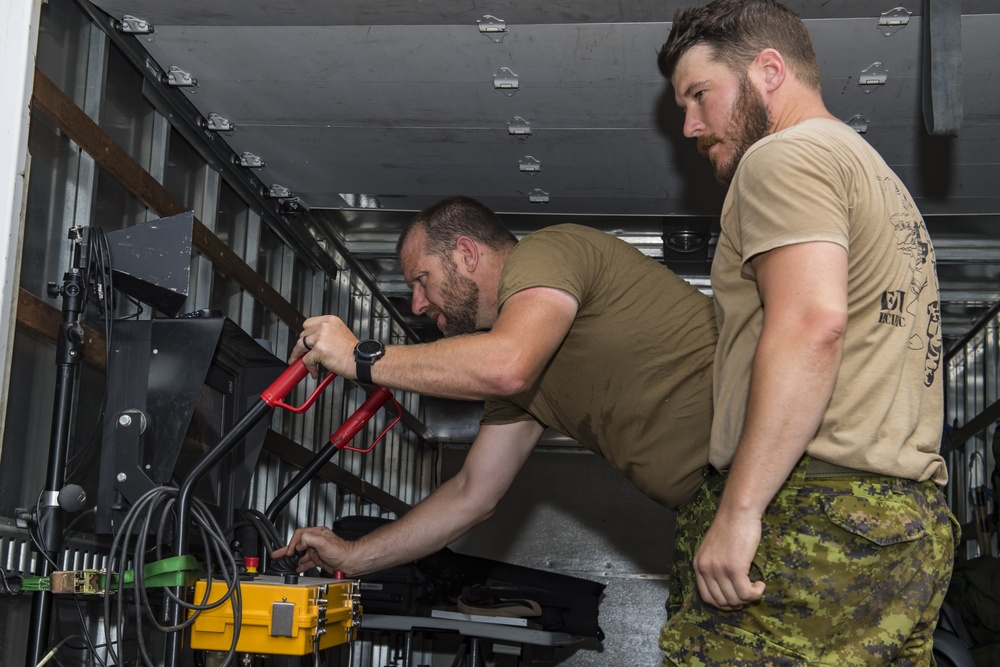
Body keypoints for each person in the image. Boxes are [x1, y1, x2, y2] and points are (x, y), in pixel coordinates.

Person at [656, 1, 958, 664]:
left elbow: (811, 323)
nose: (689, 125)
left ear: (768, 70)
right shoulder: (872, 174)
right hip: (907, 523)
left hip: (814, 510)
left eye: (700, 95)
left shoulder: (783, 159)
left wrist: (739, 511)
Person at [272, 195, 719, 617]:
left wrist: (359, 357)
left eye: (421, 280)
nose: (417, 304)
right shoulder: (514, 373)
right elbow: (473, 493)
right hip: (706, 507)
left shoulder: (547, 250)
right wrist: (353, 558)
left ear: (467, 253)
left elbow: (509, 365)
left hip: (765, 472)